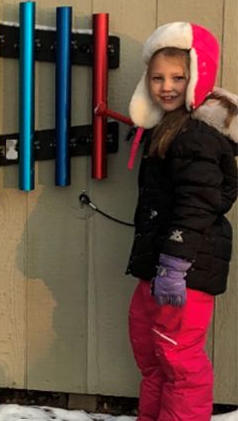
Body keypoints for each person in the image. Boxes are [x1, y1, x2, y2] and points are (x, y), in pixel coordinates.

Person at [124, 22, 237, 421]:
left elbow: (198, 204)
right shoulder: (167, 129)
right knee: (151, 351)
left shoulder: (198, 138)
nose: (166, 86)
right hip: (157, 264)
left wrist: (174, 264)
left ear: (196, 78)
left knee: (177, 358)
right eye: (157, 77)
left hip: (183, 268)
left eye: (177, 77)